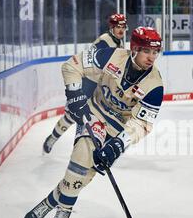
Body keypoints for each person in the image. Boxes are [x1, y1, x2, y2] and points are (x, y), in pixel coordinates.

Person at [23, 26, 164, 218]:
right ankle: (66, 208)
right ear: (134, 48)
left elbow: (141, 124)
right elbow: (71, 66)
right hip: (95, 112)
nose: (151, 57)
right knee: (83, 155)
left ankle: (48, 202)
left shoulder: (155, 86)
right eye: (146, 51)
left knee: (85, 175)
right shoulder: (111, 56)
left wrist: (119, 143)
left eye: (155, 52)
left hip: (117, 129)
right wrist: (75, 96)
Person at [42, 13, 128, 154]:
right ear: (111, 27)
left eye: (124, 27)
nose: (121, 30)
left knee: (89, 118)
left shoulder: (118, 43)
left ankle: (82, 150)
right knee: (72, 116)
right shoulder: (105, 41)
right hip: (87, 84)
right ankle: (52, 139)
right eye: (118, 27)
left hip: (97, 87)